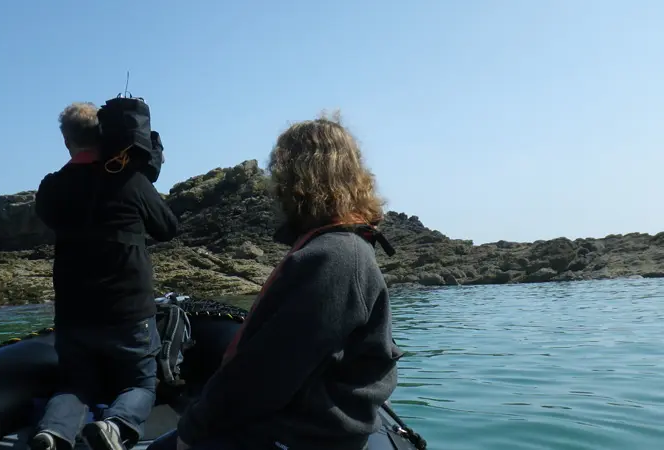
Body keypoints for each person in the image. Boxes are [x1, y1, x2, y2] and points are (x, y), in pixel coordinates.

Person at [148, 112, 402, 450]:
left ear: (299, 178)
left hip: (301, 434)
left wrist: (192, 432)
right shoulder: (344, 249)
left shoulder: (334, 258)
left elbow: (267, 374)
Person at [29, 102, 179, 450]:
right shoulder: (132, 181)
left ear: (66, 140)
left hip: (74, 315)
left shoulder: (51, 187)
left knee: (74, 385)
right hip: (129, 313)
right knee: (140, 384)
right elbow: (168, 228)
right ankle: (115, 425)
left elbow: (54, 214)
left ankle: (52, 433)